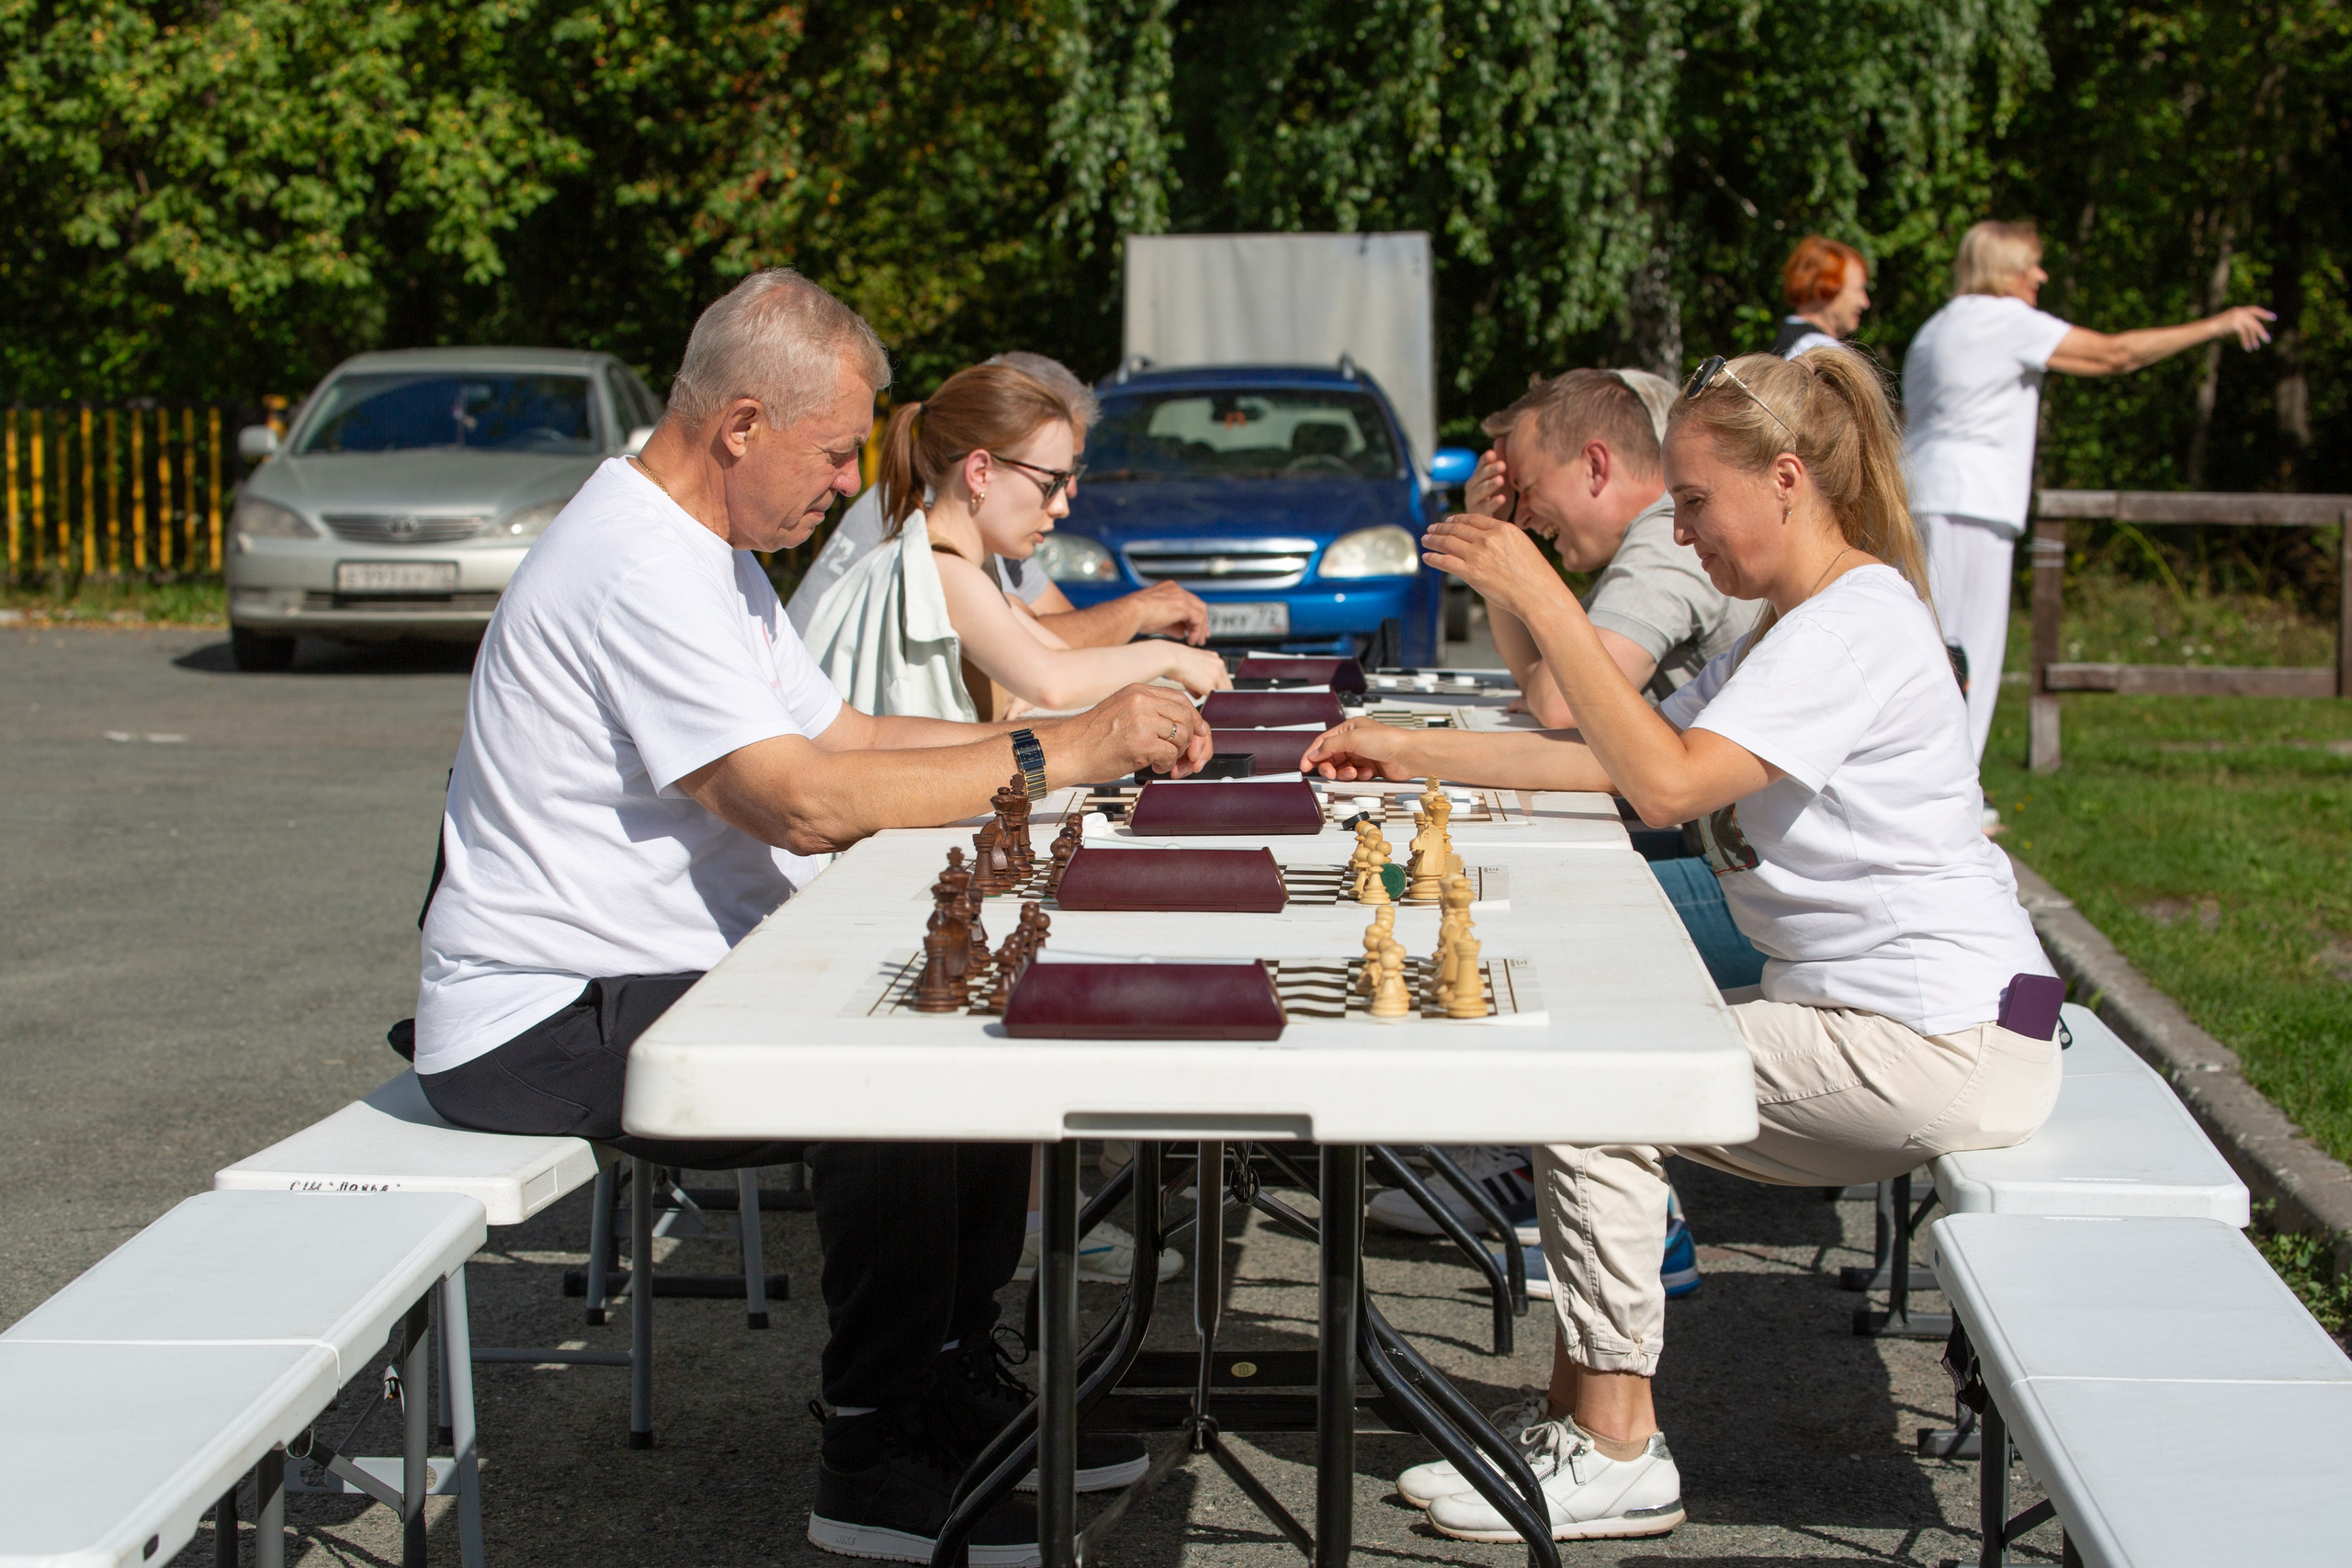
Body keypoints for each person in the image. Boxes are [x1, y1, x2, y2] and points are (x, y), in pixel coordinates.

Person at [410, 268, 1212, 1565]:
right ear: (740, 424)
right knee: (888, 1050)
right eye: (834, 450)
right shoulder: (636, 561)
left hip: (647, 976)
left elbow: (844, 730)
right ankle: (872, 1439)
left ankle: (949, 1376)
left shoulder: (707, 550)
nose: (849, 481)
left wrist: (1057, 733)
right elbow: (800, 800)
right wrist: (1052, 756)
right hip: (539, 1017)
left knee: (968, 1011)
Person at [1301, 347, 2062, 1543]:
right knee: (1601, 1052)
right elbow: (1608, 752)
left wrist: (1536, 587)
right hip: (1934, 1018)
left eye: (1698, 504)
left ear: (1791, 480)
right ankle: (1579, 1415)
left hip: (1938, 1036)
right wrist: (1411, 747)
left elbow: (1660, 785)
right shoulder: (1802, 620)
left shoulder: (1848, 623)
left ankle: (1615, 1444)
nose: (1685, 533)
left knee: (1602, 1076)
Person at [1904, 219, 2273, 763]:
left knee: (1922, 650)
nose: (2041, 275)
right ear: (2004, 269)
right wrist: (2216, 325)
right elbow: (2114, 355)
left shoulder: (1934, 329)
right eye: (2032, 265)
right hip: (1973, 506)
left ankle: (1918, 788)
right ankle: (1956, 800)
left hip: (1919, 497)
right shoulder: (2007, 320)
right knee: (1967, 654)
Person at [798, 362, 1230, 720]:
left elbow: (1063, 658)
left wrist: (1171, 678)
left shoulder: (956, 566)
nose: (1062, 506)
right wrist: (1167, 656)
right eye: (1052, 482)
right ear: (981, 472)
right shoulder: (942, 571)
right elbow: (1054, 681)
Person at [1465, 368, 1758, 728]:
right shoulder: (1646, 541)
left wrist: (1525, 577)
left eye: (1526, 487)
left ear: (1595, 466)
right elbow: (1540, 678)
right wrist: (1494, 538)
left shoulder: (1668, 543)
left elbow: (1560, 706)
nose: (1521, 516)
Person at [1772, 236, 1871, 357]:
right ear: (1825, 287)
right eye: (1858, 290)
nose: (1865, 303)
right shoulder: (1821, 351)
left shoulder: (1788, 339)